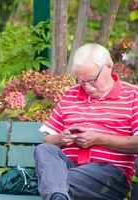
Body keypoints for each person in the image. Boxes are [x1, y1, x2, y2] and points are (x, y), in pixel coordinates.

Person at [34, 43, 138, 200]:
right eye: (81, 81)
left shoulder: (132, 96)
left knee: (53, 180)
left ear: (109, 67)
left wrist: (98, 139)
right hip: (69, 167)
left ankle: (55, 190)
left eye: (91, 79)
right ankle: (58, 194)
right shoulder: (70, 95)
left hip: (107, 175)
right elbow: (47, 140)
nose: (87, 87)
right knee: (43, 150)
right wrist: (61, 138)